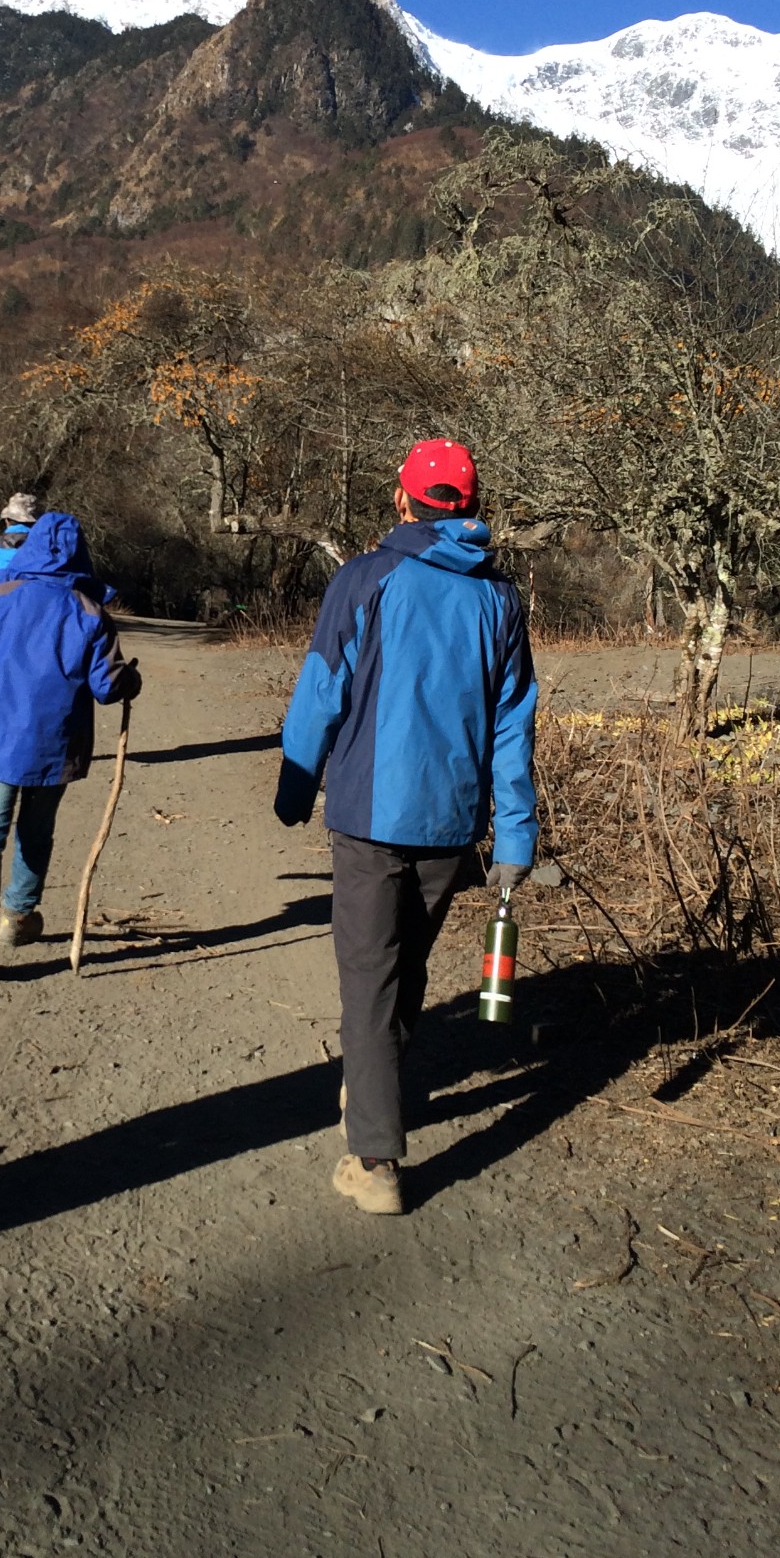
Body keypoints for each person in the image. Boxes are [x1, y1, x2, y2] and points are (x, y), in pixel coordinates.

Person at [274, 438, 537, 1215]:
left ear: (403, 501)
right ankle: (374, 1081)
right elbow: (513, 724)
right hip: (450, 820)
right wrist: (515, 834)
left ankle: (376, 1158)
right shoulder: (500, 599)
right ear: (471, 502)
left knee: (369, 975)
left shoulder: (366, 577)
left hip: (366, 816)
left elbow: (322, 687)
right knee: (406, 968)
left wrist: (296, 783)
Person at [0, 510, 141, 979]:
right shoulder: (89, 612)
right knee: (35, 830)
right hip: (53, 744)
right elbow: (108, 687)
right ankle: (19, 917)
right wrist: (132, 680)